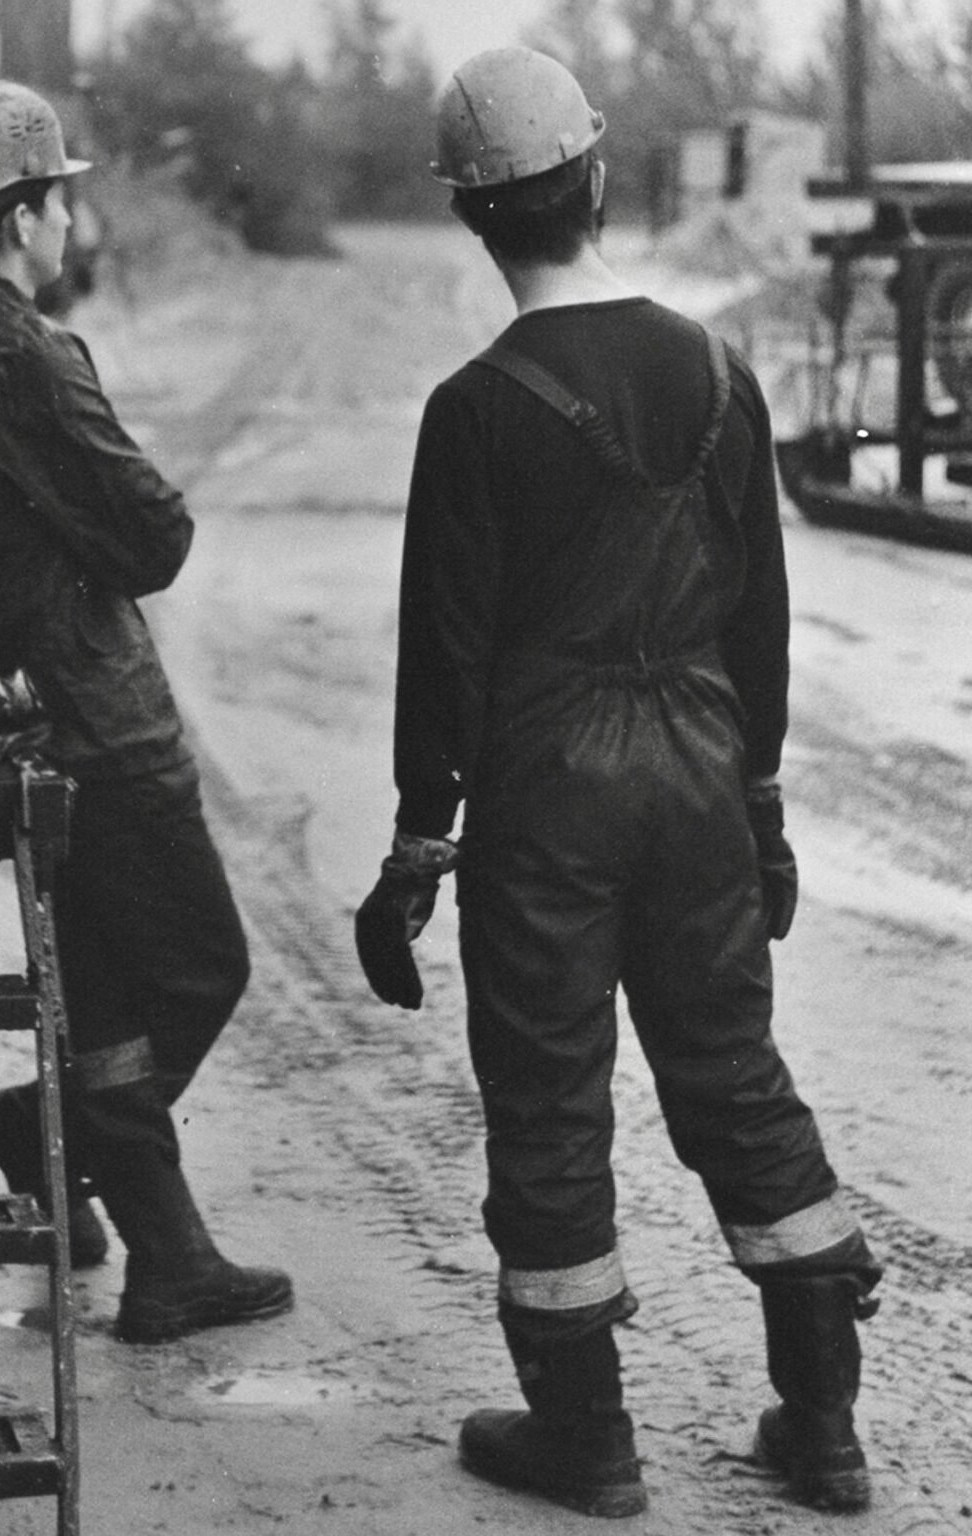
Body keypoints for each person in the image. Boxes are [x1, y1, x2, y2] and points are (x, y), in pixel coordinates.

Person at [354, 47, 881, 1519]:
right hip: (703, 774)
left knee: (547, 1105)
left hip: (549, 799)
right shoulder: (721, 372)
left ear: (475, 222)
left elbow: (443, 652)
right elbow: (758, 618)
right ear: (594, 183)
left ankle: (585, 1437)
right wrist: (758, 802)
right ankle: (824, 1428)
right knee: (733, 1075)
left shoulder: (476, 408)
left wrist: (416, 844)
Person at [0, 79, 292, 1345]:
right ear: (23, 216)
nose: (73, 225)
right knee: (203, 966)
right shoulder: (33, 356)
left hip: (5, 719)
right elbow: (157, 534)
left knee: (104, 997)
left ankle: (161, 1253)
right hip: (100, 724)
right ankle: (42, 1135)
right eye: (65, 201)